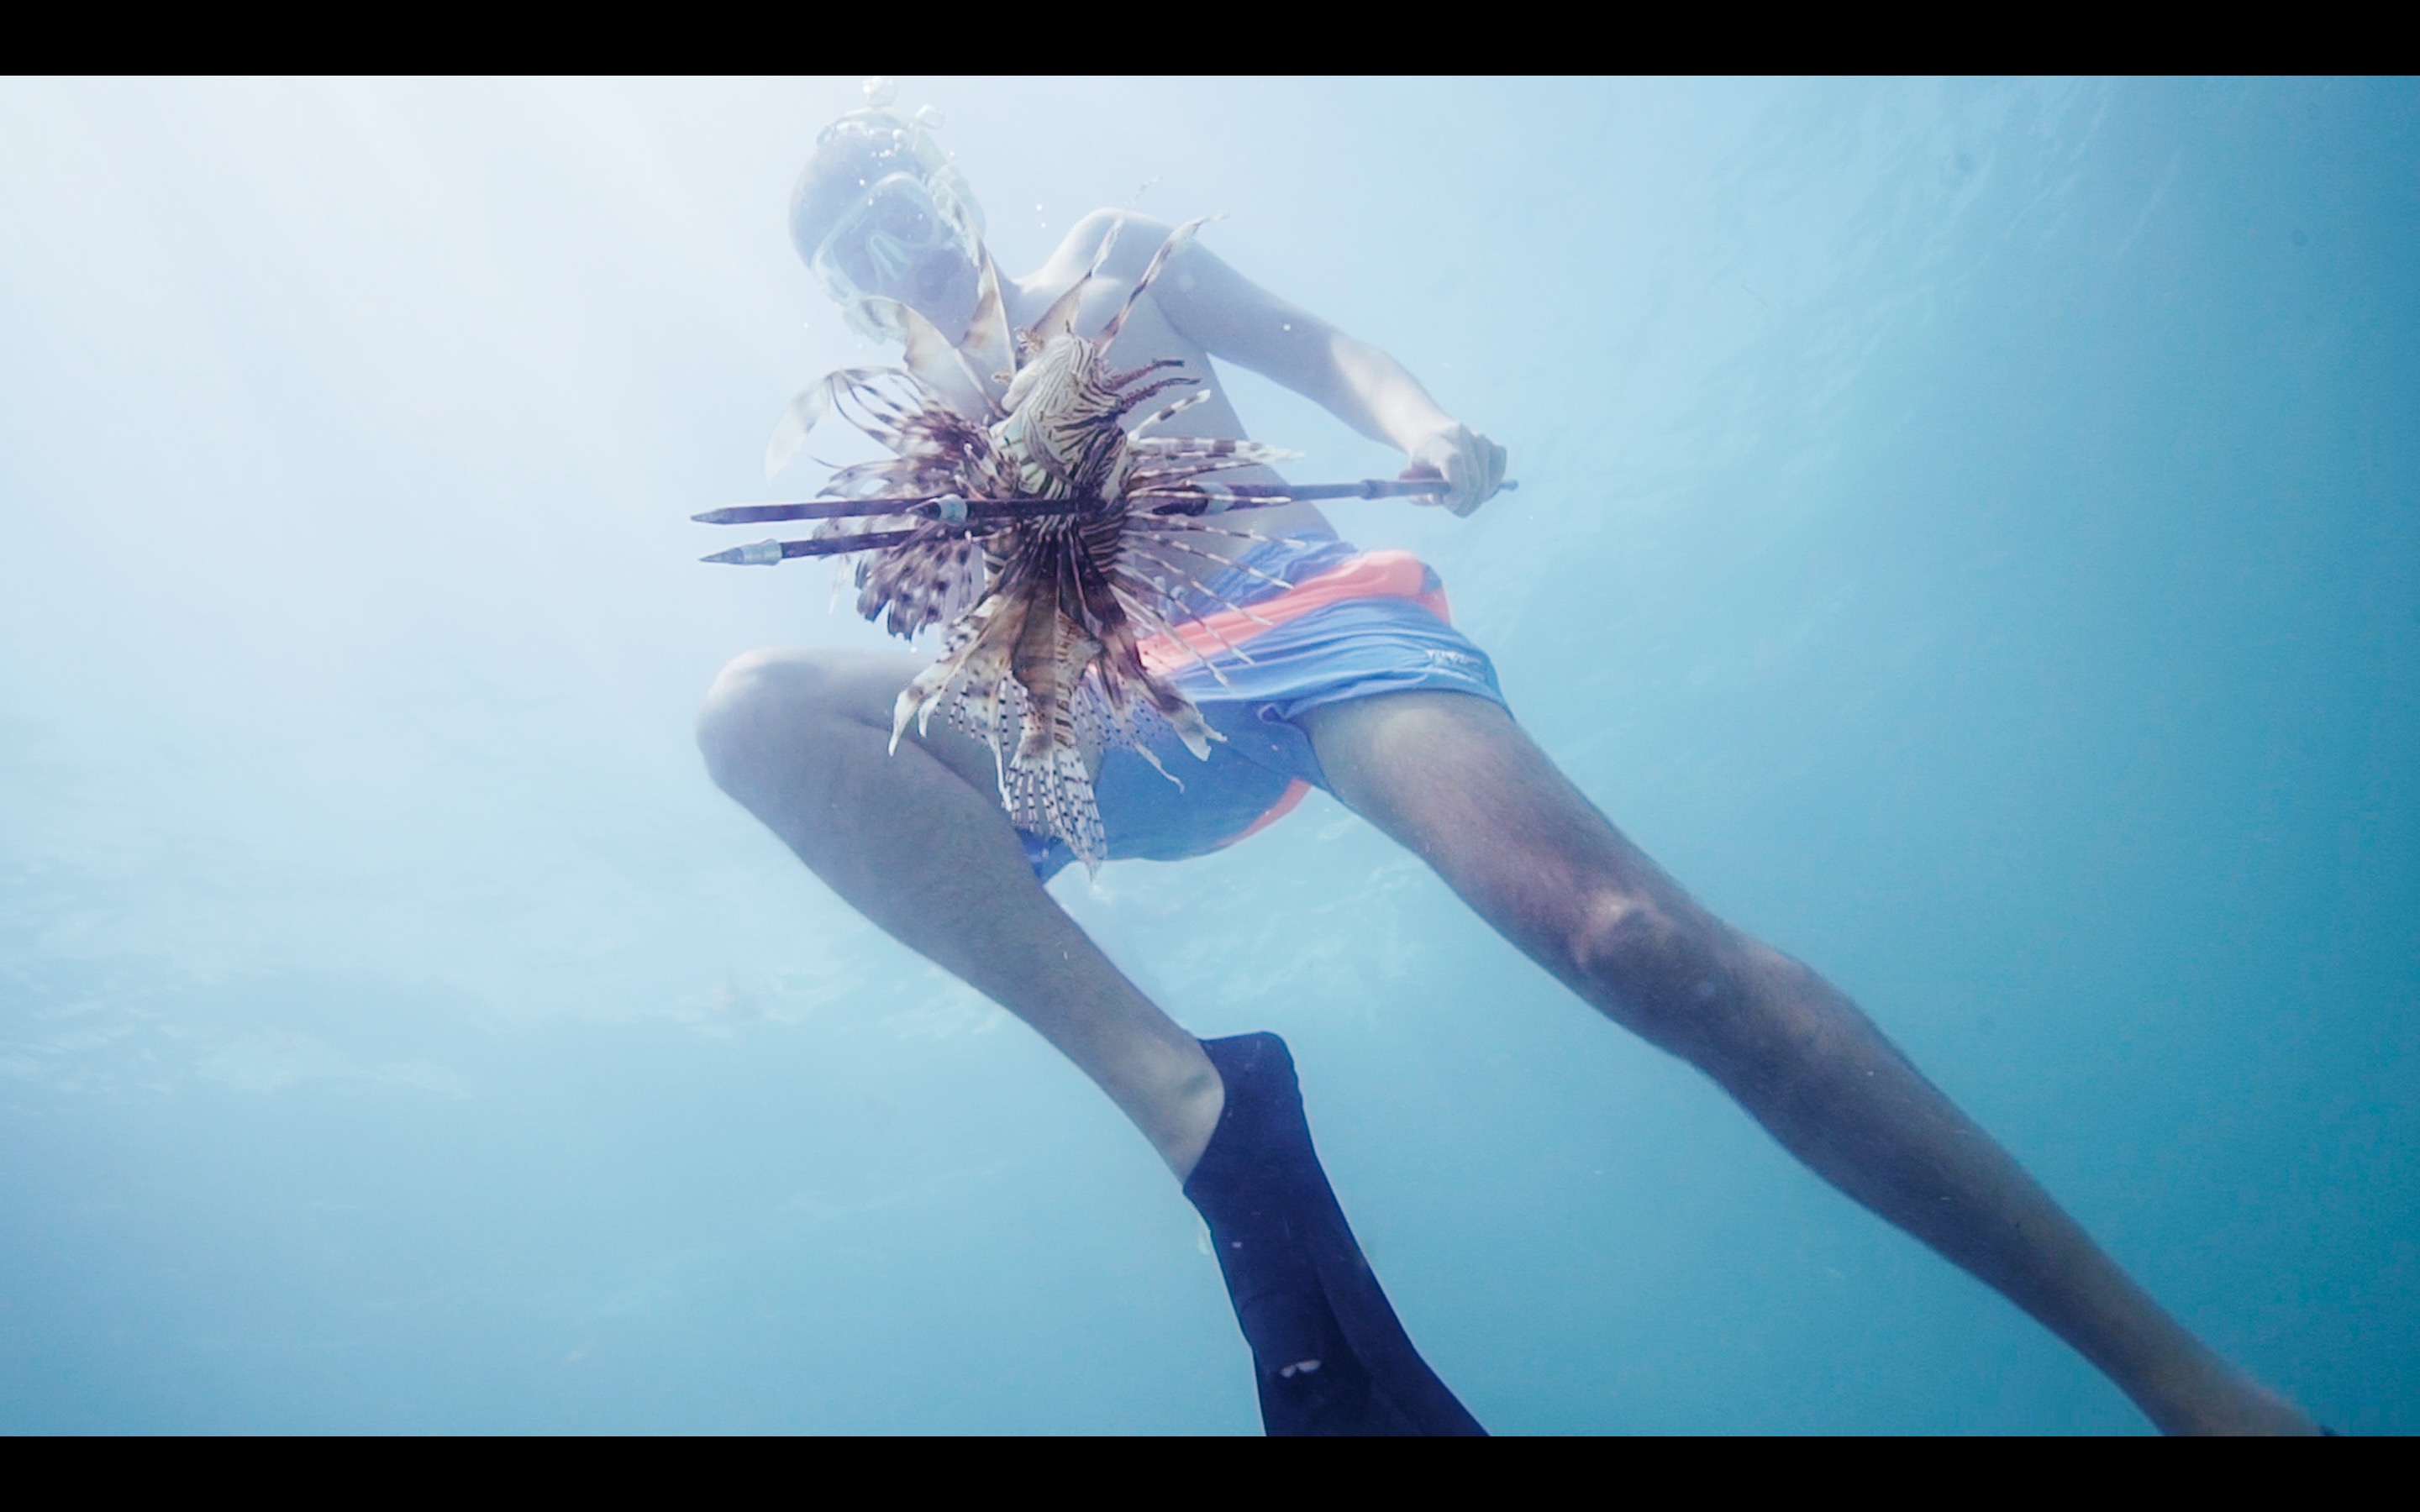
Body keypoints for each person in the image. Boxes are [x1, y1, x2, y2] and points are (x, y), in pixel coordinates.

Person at [695, 100, 2317, 1435]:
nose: (887, 249)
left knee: (1640, 946)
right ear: (844, 301)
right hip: (1125, 715)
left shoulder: (1110, 261)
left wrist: (1431, 424)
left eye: (893, 201)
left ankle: (2193, 1392)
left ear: (952, 186)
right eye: (846, 254)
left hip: (1309, 631)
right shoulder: (925, 431)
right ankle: (1199, 1107)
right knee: (756, 710)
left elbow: (1322, 354)